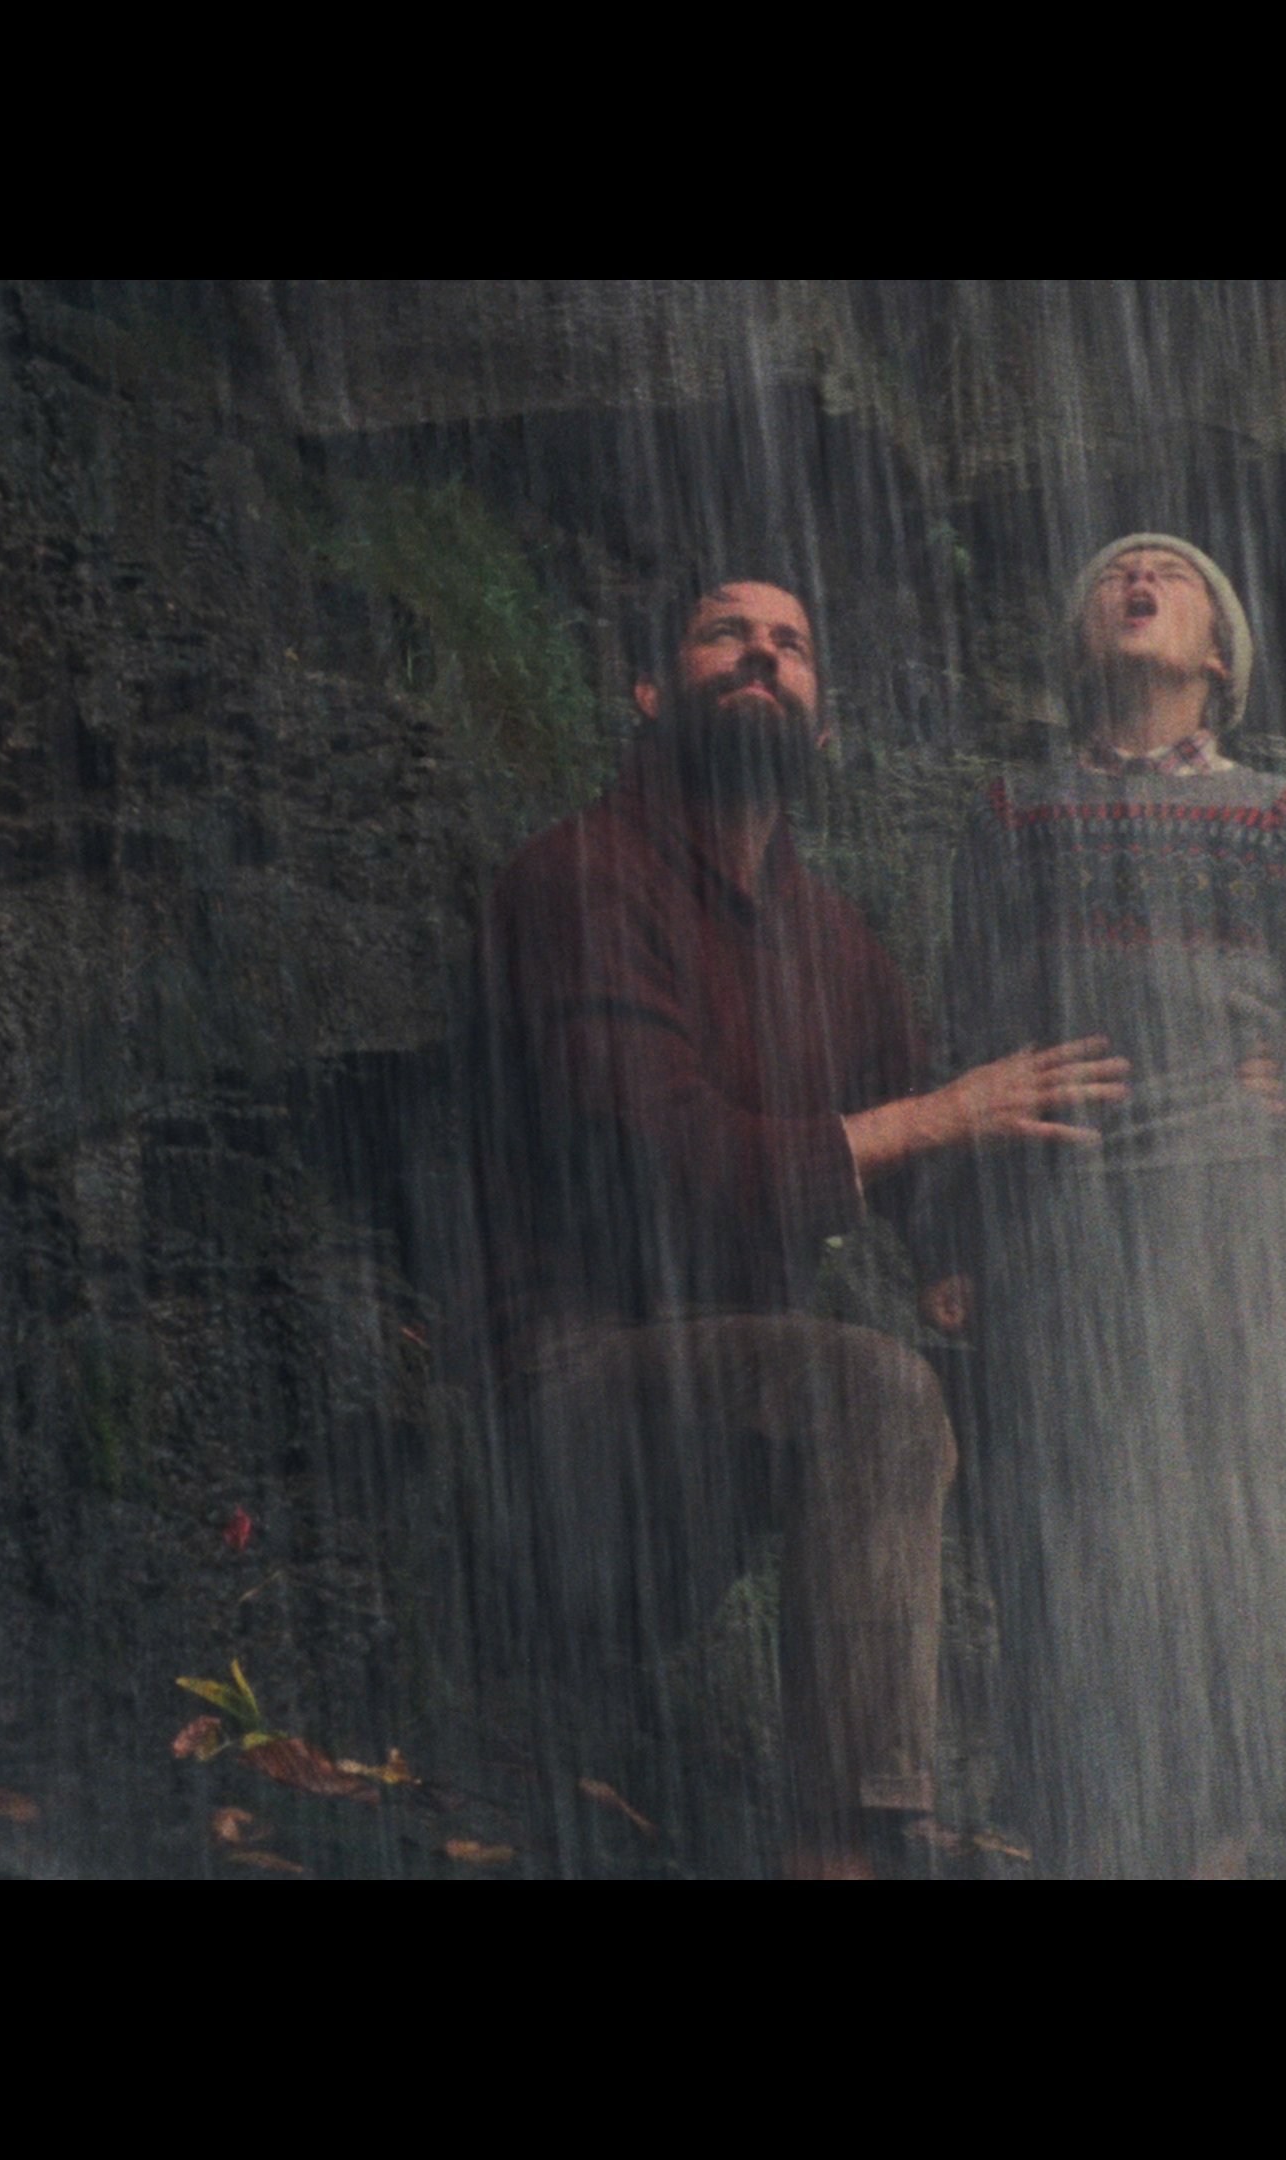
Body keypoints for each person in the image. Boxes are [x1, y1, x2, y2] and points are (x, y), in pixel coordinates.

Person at [474, 573, 1127, 1878]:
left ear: (821, 725)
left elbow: (937, 1161)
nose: (762, 655)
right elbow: (667, 1161)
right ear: (650, 691)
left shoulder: (834, 938)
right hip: (569, 1392)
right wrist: (935, 1120)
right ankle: (844, 1854)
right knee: (872, 1390)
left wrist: (975, 1269)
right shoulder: (577, 876)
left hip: (742, 1387)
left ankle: (1115, 1815)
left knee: (1060, 1401)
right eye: (726, 634)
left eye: (791, 645)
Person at [921, 533, 1286, 1876]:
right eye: (1117, 571)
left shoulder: (1283, 818)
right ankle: (1068, 1827)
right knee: (1055, 1524)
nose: (1139, 580)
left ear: (1221, 659)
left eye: (1172, 576)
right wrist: (952, 1235)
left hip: (1232, 1208)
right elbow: (970, 1020)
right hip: (1057, 1210)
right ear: (1079, 643)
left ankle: (1218, 1837)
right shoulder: (1015, 813)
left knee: (1223, 1515)